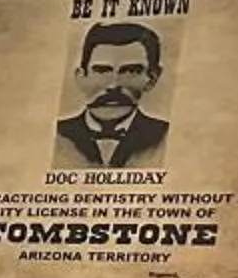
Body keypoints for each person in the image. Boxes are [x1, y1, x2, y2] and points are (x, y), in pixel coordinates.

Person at [52, 21, 171, 169]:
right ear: (81, 77)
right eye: (101, 71)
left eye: (130, 71)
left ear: (152, 79)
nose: (113, 85)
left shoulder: (167, 136)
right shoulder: (55, 135)